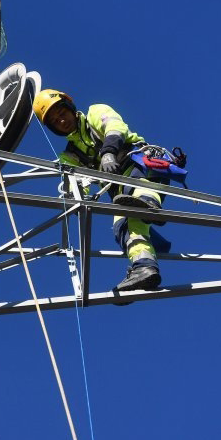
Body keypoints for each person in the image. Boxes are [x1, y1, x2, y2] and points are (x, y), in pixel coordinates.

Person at [33, 89, 166, 292]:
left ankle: (149, 206)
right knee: (122, 226)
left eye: (62, 114)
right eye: (55, 121)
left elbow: (114, 127)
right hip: (122, 193)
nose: (61, 121)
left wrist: (108, 152)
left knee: (136, 190)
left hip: (142, 164)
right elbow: (79, 186)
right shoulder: (69, 156)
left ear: (70, 108)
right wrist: (74, 196)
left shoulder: (95, 112)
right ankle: (144, 267)